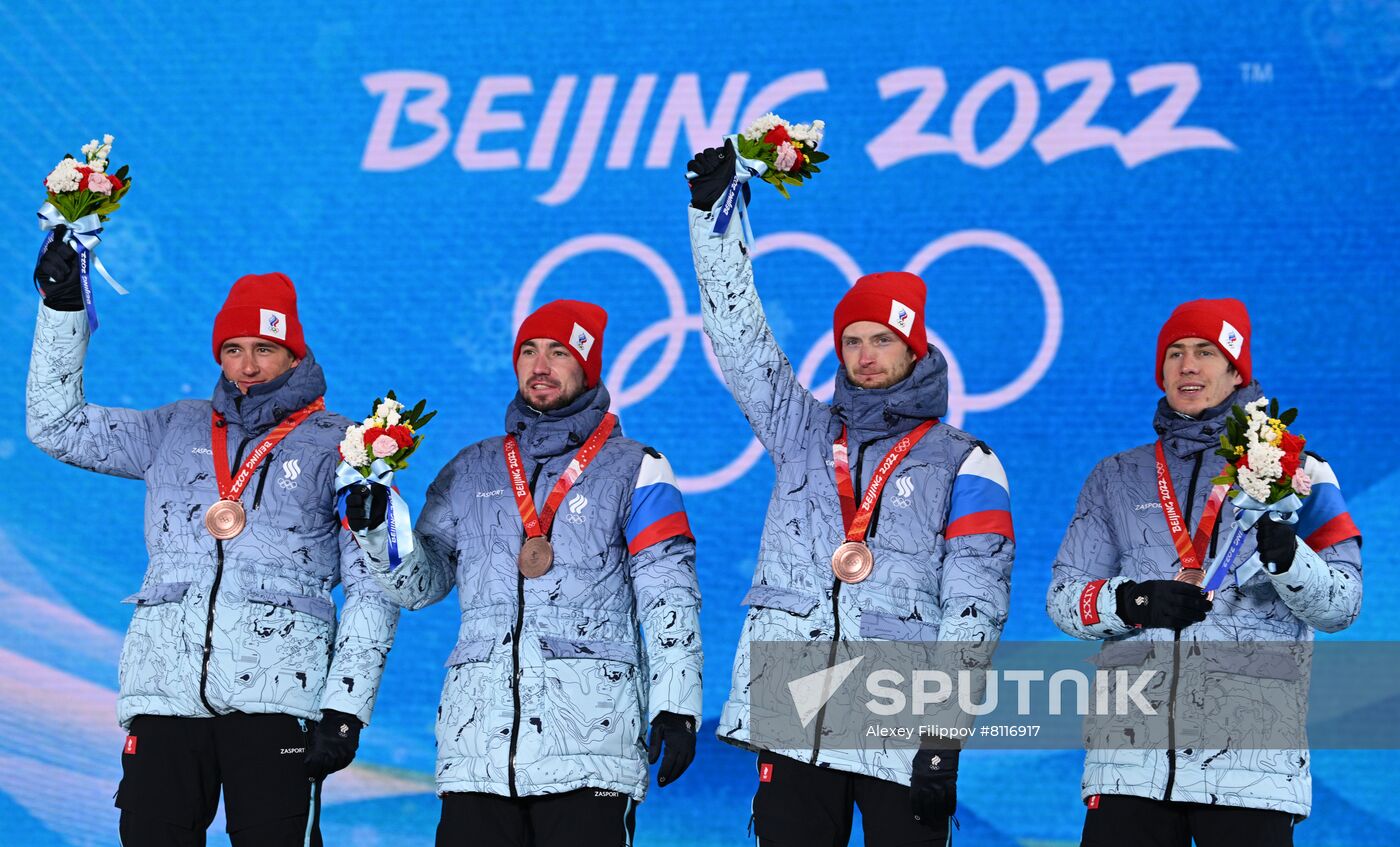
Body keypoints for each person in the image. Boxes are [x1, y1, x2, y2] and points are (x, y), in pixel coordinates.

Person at [685, 142, 1015, 845]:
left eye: (882, 339)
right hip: (795, 710)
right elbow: (738, 339)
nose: (865, 354)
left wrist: (944, 735)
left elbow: (974, 609)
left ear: (914, 349)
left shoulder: (967, 463)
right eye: (853, 340)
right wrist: (713, 217)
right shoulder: (799, 427)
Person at [26, 229, 401, 846]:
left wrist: (346, 707)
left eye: (264, 348)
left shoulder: (346, 446)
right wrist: (63, 309)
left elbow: (372, 587)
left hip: (278, 698)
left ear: (295, 356)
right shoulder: (172, 428)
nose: (247, 365)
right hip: (166, 693)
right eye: (232, 348)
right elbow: (58, 425)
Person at [343, 299, 702, 847]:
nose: (540, 365)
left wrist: (677, 704)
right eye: (529, 351)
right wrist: (379, 532)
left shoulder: (638, 466)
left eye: (559, 352)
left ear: (587, 367)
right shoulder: (471, 467)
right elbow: (422, 585)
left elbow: (668, 591)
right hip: (478, 750)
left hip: (588, 746)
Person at [1046, 298, 1363, 846]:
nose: (1188, 366)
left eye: (1205, 352)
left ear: (1237, 370)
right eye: (1175, 353)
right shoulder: (1116, 476)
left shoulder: (1301, 471)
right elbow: (1062, 600)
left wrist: (1291, 559)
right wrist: (1132, 602)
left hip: (1250, 771)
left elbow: (1343, 604)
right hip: (1129, 769)